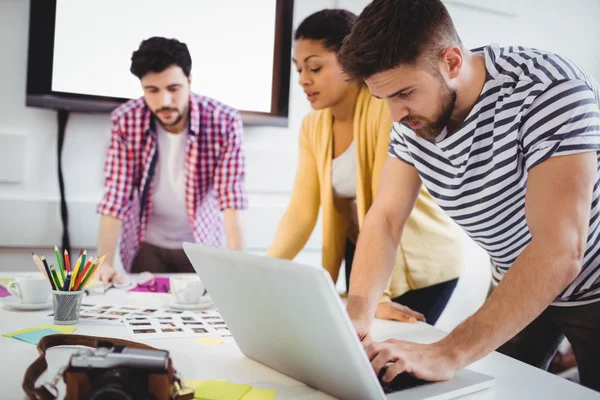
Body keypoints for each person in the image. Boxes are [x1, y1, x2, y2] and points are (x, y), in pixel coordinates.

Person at [337, 0, 600, 391]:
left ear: (453, 62)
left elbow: (560, 251)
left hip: (591, 282)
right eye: (384, 99)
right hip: (516, 276)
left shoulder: (548, 89)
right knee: (499, 389)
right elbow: (386, 218)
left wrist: (448, 351)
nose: (395, 115)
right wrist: (356, 319)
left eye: (405, 92)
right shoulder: (410, 116)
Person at [267, 9, 464, 325]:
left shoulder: (387, 110)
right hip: (365, 252)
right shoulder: (313, 126)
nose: (303, 79)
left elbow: (384, 214)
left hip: (419, 261)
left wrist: (378, 297)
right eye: (299, 68)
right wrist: (265, 273)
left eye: (315, 67)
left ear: (350, 62)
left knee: (391, 359)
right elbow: (302, 211)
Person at [96, 37, 247, 284]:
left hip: (201, 243)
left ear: (189, 81)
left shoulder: (224, 121)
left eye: (173, 89)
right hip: (146, 244)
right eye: (152, 91)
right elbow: (116, 196)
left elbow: (231, 198)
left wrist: (238, 265)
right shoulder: (125, 120)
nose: (164, 101)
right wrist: (105, 264)